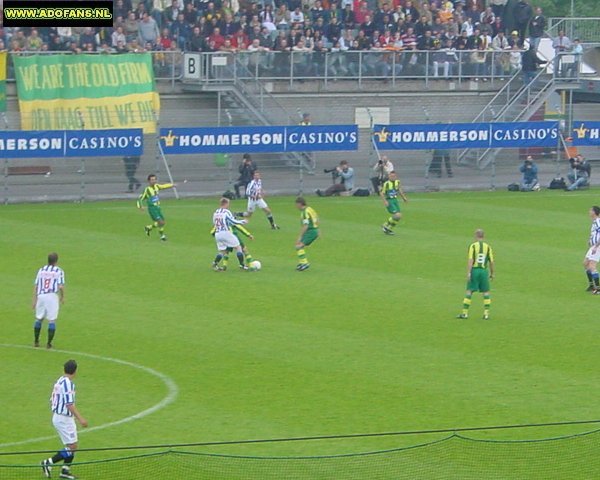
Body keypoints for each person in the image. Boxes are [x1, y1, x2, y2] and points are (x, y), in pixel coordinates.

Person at [41, 360, 88, 480]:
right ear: (75, 371)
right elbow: (69, 404)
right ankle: (48, 463)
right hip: (63, 418)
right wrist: (80, 419)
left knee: (71, 445)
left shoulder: (60, 380)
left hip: (59, 416)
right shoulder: (68, 384)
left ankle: (65, 471)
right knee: (72, 446)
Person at [457, 229, 495, 320]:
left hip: (475, 270)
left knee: (469, 291)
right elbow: (492, 262)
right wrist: (492, 273)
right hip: (484, 271)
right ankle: (486, 314)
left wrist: (469, 272)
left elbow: (471, 260)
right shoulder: (488, 247)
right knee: (486, 292)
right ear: (483, 236)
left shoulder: (473, 246)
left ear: (476, 236)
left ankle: (465, 313)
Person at [33, 253, 65, 349]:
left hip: (41, 295)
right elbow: (60, 286)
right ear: (56, 261)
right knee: (52, 320)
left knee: (39, 318)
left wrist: (34, 300)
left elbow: (36, 285)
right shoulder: (59, 271)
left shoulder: (41, 270)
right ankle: (49, 344)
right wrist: (62, 297)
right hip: (52, 296)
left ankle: (36, 341)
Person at [212, 197, 249, 271]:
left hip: (218, 234)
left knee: (223, 251)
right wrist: (243, 221)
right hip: (225, 233)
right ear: (225, 204)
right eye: (228, 203)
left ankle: (215, 264)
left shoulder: (216, 212)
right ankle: (242, 265)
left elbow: (214, 223)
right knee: (238, 247)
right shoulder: (226, 212)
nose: (229, 205)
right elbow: (233, 221)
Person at [137, 174, 176, 241]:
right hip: (152, 208)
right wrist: (140, 206)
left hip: (157, 207)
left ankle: (149, 228)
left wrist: (172, 185)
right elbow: (140, 199)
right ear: (149, 181)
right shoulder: (147, 189)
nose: (154, 181)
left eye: (155, 179)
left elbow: (163, 186)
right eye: (152, 180)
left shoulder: (157, 186)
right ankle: (162, 236)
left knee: (163, 222)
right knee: (160, 222)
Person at [295, 197, 319, 271]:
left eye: (296, 205)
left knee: (298, 246)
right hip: (314, 230)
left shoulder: (305, 212)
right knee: (298, 246)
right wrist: (317, 228)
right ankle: (302, 263)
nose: (296, 206)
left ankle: (304, 263)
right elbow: (317, 219)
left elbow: (306, 225)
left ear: (300, 204)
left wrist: (300, 236)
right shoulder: (310, 209)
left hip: (311, 232)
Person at [380, 171, 408, 235]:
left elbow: (399, 190)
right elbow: (382, 193)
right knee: (397, 215)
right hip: (389, 200)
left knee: (399, 216)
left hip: (395, 200)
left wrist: (404, 198)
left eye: (393, 176)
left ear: (396, 176)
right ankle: (385, 225)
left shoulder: (397, 182)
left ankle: (388, 228)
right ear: (388, 176)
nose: (392, 177)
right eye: (391, 176)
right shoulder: (386, 183)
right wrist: (385, 201)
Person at [583, 206, 600, 293]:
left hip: (598, 246)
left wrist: (596, 246)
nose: (589, 212)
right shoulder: (594, 222)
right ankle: (591, 285)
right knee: (585, 263)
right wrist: (590, 241)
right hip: (593, 246)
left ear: (594, 212)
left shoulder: (598, 222)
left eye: (591, 210)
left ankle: (598, 288)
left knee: (592, 265)